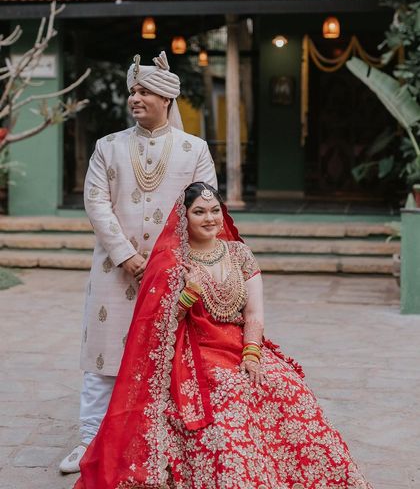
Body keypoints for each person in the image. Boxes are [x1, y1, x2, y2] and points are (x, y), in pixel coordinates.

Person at [74, 182, 373, 489]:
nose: (210, 219)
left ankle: (306, 476)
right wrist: (190, 293)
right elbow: (159, 326)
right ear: (184, 218)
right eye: (199, 212)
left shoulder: (240, 254)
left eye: (215, 210)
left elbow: (254, 313)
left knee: (286, 384)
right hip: (195, 351)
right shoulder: (172, 262)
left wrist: (252, 354)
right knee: (230, 391)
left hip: (241, 344)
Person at [59, 54, 217, 474]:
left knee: (166, 352)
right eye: (133, 90)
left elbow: (203, 207)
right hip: (114, 269)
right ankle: (90, 440)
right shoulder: (107, 146)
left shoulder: (194, 149)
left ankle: (158, 437)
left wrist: (170, 258)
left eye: (144, 90)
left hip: (170, 272)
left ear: (166, 97)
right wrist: (125, 254)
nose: (135, 98)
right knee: (103, 355)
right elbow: (95, 202)